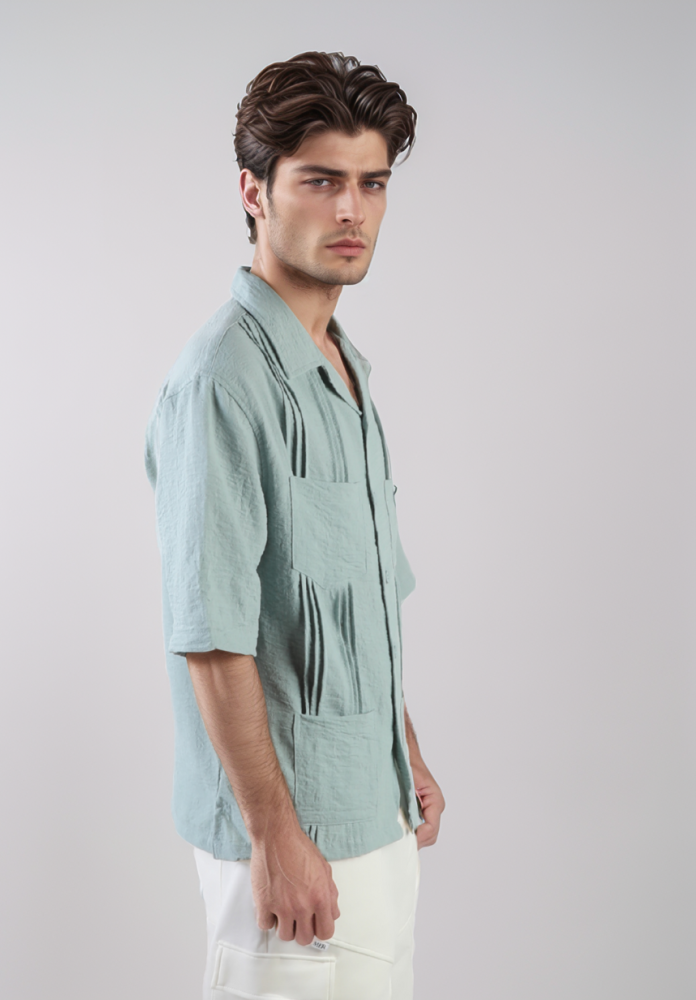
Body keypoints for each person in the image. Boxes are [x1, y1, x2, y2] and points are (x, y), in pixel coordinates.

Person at [144, 50, 445, 1000]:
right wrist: (275, 836)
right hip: (289, 843)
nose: (352, 210)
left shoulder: (342, 369)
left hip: (375, 817)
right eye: (320, 181)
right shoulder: (223, 381)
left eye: (372, 183)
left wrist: (405, 752)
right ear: (254, 191)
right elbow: (212, 634)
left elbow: (360, 598)